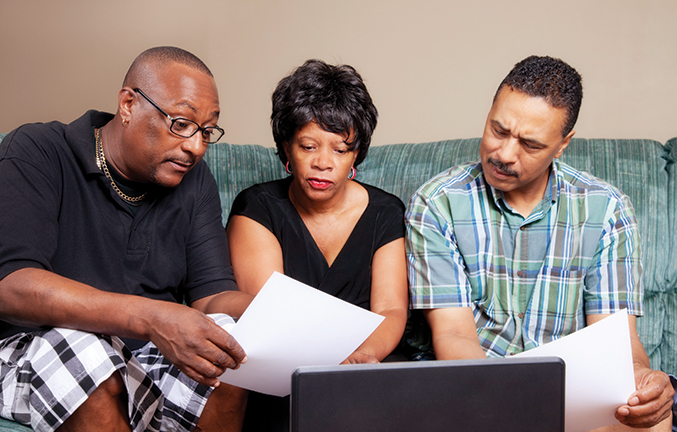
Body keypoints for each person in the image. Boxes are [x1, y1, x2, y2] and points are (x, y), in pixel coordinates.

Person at [406, 55, 674, 429]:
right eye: (498, 130)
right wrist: (497, 405)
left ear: (562, 145)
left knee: (651, 422)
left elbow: (617, 340)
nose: (504, 154)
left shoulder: (607, 209)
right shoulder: (436, 203)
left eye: (530, 145)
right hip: (473, 387)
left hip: (569, 395)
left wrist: (642, 381)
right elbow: (453, 335)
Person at [0, 46, 253, 432]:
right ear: (129, 104)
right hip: (33, 349)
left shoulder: (195, 181)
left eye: (206, 131)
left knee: (226, 345)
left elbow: (211, 294)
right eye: (181, 124)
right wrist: (153, 318)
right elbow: (11, 284)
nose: (196, 147)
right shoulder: (38, 151)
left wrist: (281, 313)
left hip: (144, 354)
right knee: (82, 352)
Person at [227, 59, 408, 431]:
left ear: (356, 154)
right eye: (308, 146)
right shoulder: (257, 208)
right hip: (286, 373)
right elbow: (272, 315)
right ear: (286, 148)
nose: (323, 163)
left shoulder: (386, 212)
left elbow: (390, 308)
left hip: (365, 368)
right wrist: (326, 369)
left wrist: (361, 358)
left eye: (340, 150)